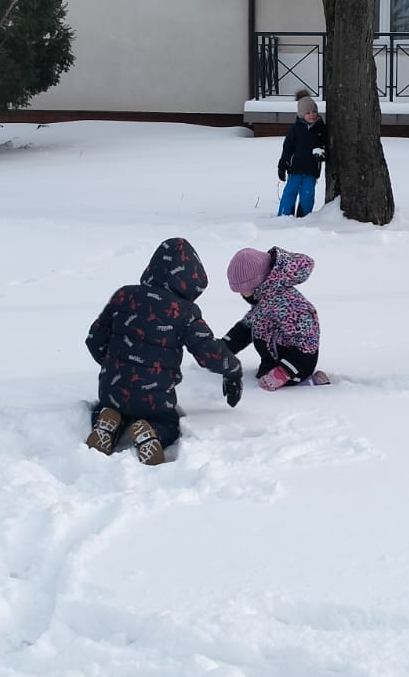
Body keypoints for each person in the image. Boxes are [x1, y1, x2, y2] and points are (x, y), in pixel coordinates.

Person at [85, 238, 244, 465]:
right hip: (155, 398)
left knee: (109, 407)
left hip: (111, 389)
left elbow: (94, 339)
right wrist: (233, 371)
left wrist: (113, 364)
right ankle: (151, 433)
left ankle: (106, 423)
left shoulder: (124, 296)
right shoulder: (185, 312)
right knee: (169, 423)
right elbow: (208, 352)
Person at [221, 246, 327, 390]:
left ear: (258, 283)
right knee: (262, 378)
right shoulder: (265, 298)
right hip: (274, 360)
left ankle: (313, 383)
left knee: (282, 389)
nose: (241, 294)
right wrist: (223, 349)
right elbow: (248, 326)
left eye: (243, 290)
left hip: (296, 365)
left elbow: (306, 342)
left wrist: (283, 373)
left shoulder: (289, 304)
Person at [276, 88, 327, 218]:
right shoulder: (295, 129)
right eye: (308, 113)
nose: (312, 115)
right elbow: (288, 148)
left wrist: (322, 153)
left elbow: (326, 145)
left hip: (311, 170)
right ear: (301, 114)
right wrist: (283, 165)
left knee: (307, 194)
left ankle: (304, 217)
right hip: (295, 168)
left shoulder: (321, 129)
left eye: (314, 111)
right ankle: (284, 215)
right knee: (290, 192)